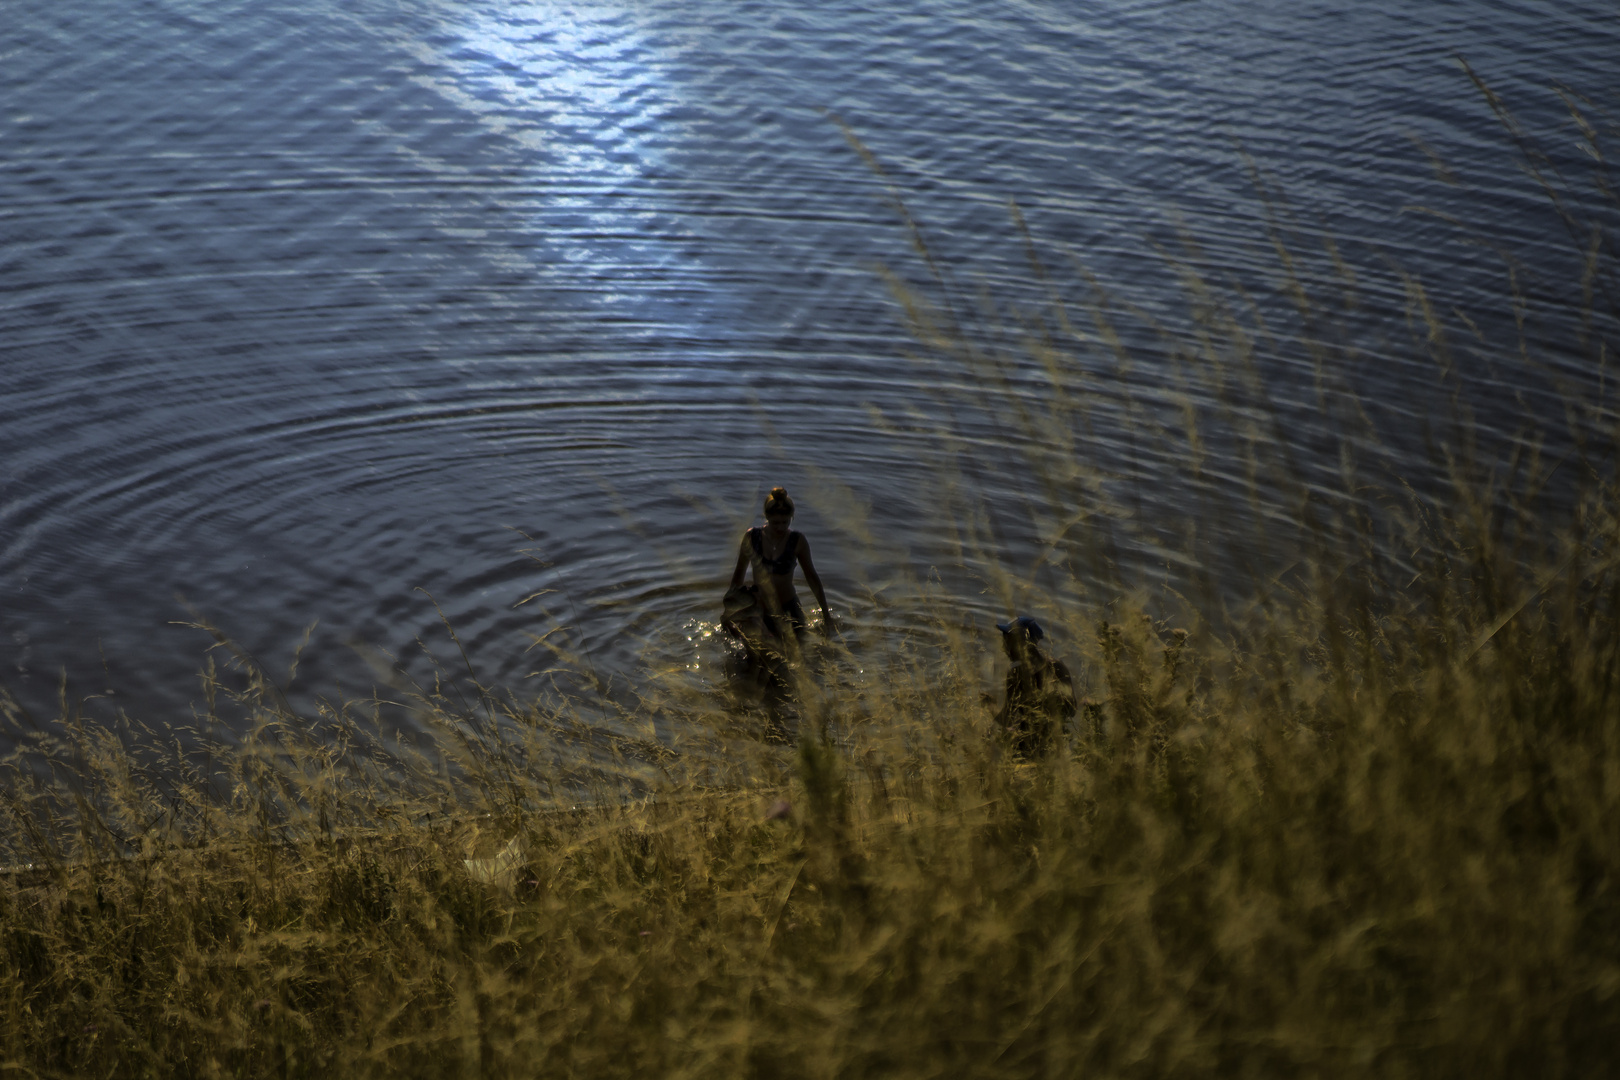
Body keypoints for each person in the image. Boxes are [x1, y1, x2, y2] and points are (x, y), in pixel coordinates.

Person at [723, 487, 833, 655]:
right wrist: (729, 610)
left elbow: (812, 578)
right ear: (766, 517)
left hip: (789, 609)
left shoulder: (797, 541)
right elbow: (739, 575)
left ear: (791, 518)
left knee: (795, 659)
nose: (780, 527)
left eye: (785, 522)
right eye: (776, 522)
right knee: (756, 660)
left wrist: (826, 615)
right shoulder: (752, 538)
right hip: (760, 610)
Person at [990, 616, 1076, 757]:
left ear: (1023, 643)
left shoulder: (1015, 675)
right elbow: (1072, 710)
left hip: (1026, 749)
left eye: (1008, 641)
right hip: (1057, 746)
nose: (1004, 648)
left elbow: (1006, 720)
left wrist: (990, 705)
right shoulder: (1058, 667)